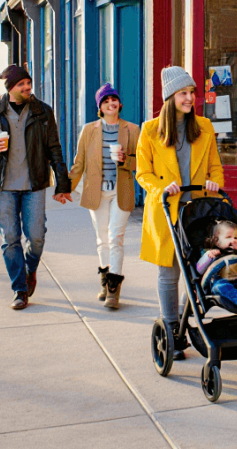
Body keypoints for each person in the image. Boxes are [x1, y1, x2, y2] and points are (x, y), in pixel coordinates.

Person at [136, 66, 225, 360]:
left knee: (198, 272)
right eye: (183, 93)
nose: (190, 99)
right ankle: (173, 330)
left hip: (198, 211)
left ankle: (190, 322)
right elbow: (143, 173)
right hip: (166, 210)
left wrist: (215, 183)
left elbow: (215, 167)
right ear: (170, 97)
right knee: (169, 274)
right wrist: (161, 188)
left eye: (192, 93)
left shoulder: (204, 127)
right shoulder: (149, 131)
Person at [0, 64, 72, 310]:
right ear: (10, 88)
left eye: (29, 84)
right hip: (4, 186)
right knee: (10, 238)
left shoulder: (42, 112)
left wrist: (63, 184)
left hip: (34, 184)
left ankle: (30, 268)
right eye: (22, 85)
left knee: (36, 236)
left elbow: (54, 149)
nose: (28, 88)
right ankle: (19, 289)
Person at [69, 83, 139, 310]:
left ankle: (113, 288)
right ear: (100, 106)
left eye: (114, 99)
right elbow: (79, 163)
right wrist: (65, 188)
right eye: (106, 100)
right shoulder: (89, 130)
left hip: (122, 190)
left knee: (116, 237)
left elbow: (142, 162)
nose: (111, 103)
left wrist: (124, 161)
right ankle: (104, 278)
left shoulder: (132, 129)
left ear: (120, 103)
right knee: (102, 239)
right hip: (96, 191)